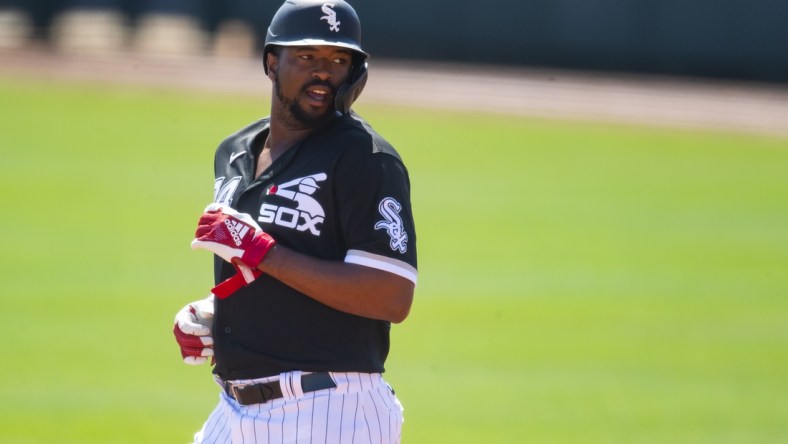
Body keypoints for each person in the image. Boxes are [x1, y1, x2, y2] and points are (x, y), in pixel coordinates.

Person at [172, 1, 418, 443]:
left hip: (329, 413)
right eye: (307, 57)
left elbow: (391, 295)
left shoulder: (365, 160)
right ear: (272, 62)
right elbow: (269, 273)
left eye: (339, 60)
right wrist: (215, 316)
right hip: (233, 411)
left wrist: (264, 252)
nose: (323, 72)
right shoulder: (235, 150)